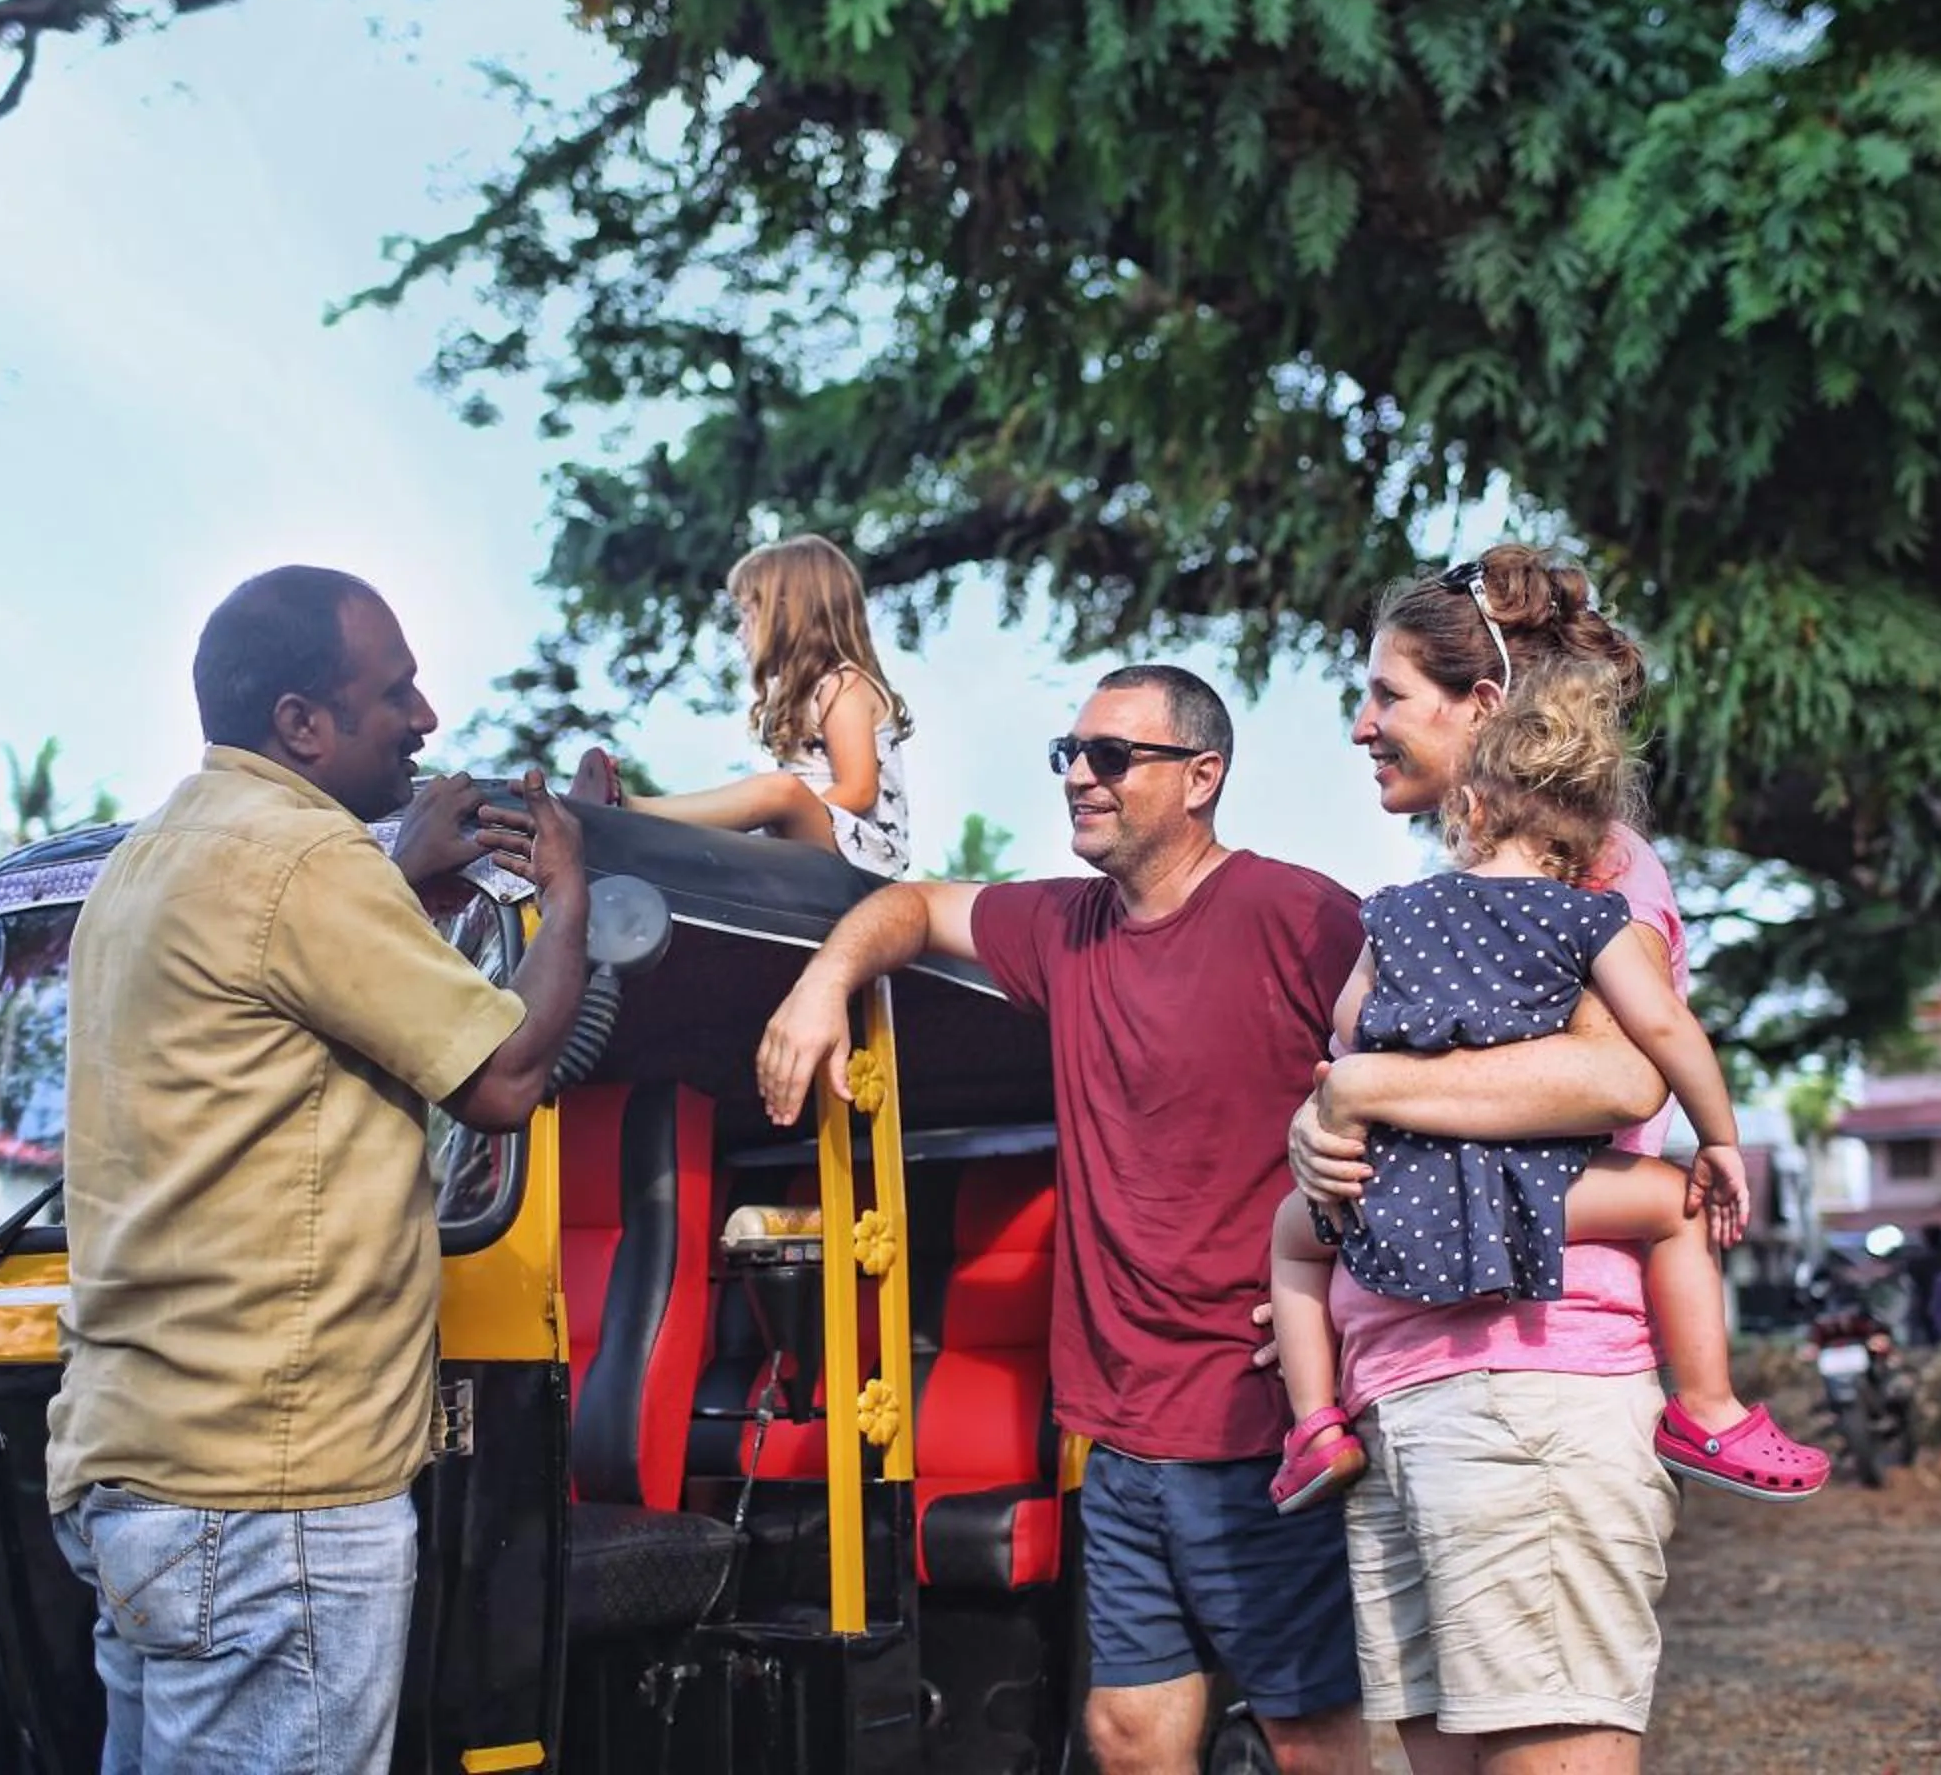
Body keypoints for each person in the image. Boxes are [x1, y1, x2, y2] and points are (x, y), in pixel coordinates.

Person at [757, 662, 1650, 1774]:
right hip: (1117, 1429)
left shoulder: (1302, 915)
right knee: (1127, 1733)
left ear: (1201, 776)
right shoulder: (1063, 925)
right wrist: (823, 984)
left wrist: (1346, 1274)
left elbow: (1455, 1069)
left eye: (1111, 756)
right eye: (1069, 754)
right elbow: (916, 904)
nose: (1079, 776)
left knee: (1309, 1739)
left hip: (1260, 1420)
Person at [46, 565, 593, 1775]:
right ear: (302, 722)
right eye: (393, 692)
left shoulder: (150, 860)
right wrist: (567, 897)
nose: (425, 718)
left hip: (139, 1467)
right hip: (273, 1494)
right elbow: (504, 1078)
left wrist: (391, 868)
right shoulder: (303, 861)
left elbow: (270, 1008)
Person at [1279, 546, 1702, 1775]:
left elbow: (1618, 1075)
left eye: (1389, 694)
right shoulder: (1443, 895)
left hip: (1525, 1386)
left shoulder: (1598, 868)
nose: (1362, 725)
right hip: (1411, 1391)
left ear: (1483, 706)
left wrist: (1361, 1086)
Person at [1263, 663, 1830, 1511]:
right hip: (1534, 1190)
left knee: (1289, 1240)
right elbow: (1666, 1031)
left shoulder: (1395, 912)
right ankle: (1709, 1410)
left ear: (1470, 808)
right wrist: (1717, 1139)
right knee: (1678, 1209)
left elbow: (1349, 1026)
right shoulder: (1590, 916)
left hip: (1395, 1186)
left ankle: (1313, 1426)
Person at [577, 533, 915, 875]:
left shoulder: (845, 685)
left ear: (787, 613)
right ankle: (636, 834)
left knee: (778, 790)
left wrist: (780, 811)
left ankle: (630, 809)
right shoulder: (806, 693)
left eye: (746, 615)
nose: (739, 632)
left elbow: (859, 791)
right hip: (819, 844)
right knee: (746, 819)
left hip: (865, 863)